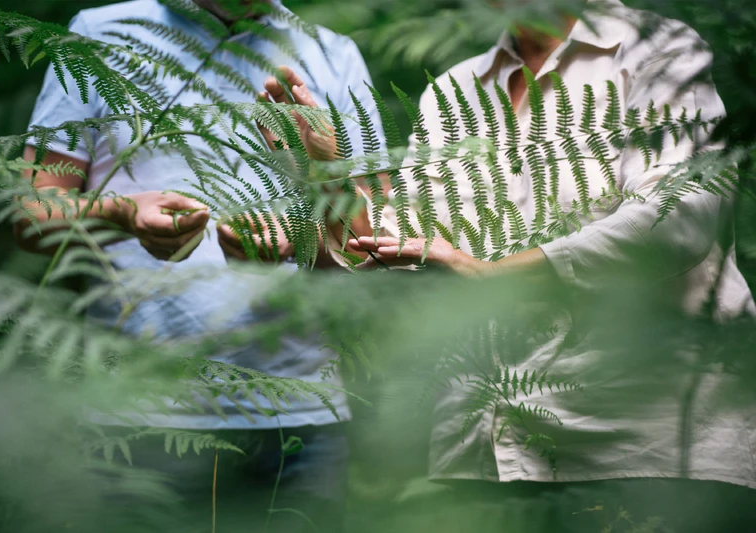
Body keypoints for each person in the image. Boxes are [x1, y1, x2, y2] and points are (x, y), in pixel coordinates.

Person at [257, 0, 756, 530]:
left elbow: (680, 220)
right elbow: (396, 246)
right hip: (489, 455)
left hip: (643, 443)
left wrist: (496, 272)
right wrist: (326, 175)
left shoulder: (656, 50)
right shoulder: (453, 90)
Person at [16, 0, 380, 531]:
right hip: (137, 416)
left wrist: (304, 229)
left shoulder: (333, 54)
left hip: (302, 421)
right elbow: (31, 216)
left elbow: (370, 249)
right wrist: (121, 211)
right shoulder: (100, 33)